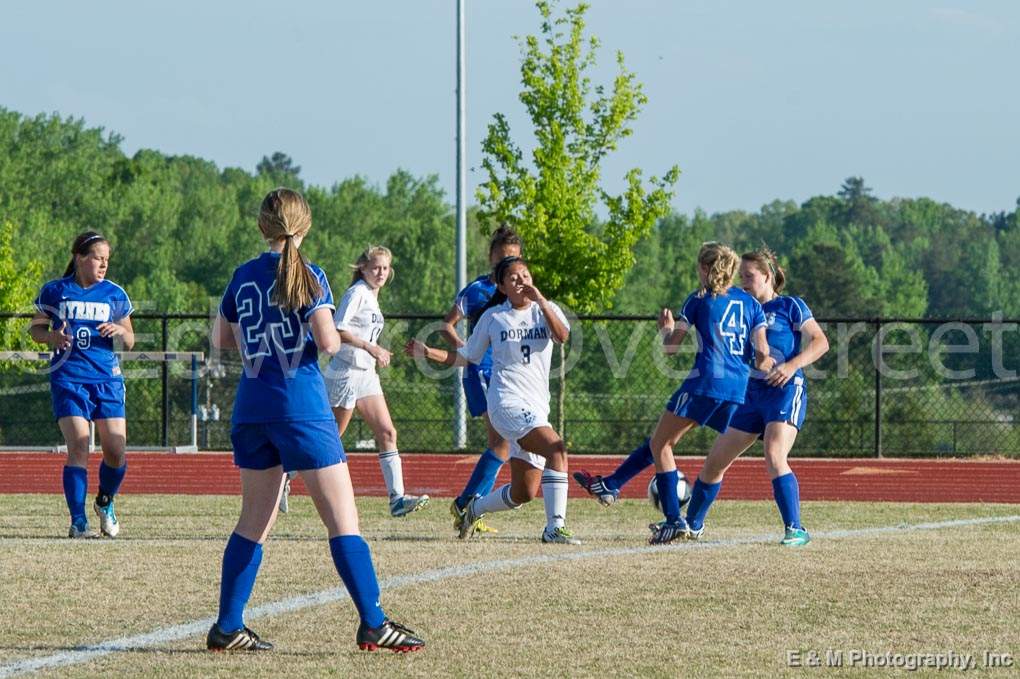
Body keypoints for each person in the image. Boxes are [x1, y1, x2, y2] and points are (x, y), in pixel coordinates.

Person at [208, 188, 423, 653]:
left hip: (251, 407)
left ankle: (227, 625)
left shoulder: (242, 275)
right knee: (344, 522)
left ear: (262, 226)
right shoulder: (311, 274)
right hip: (300, 407)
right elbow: (328, 342)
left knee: (253, 522)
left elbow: (221, 339)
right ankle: (373, 622)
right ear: (303, 226)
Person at [574, 248, 827, 546]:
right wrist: (763, 362)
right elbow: (759, 356)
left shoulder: (789, 305)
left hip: (782, 391)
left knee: (772, 454)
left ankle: (794, 528)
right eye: (740, 274)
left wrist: (790, 366)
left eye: (750, 275)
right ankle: (691, 524)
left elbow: (821, 341)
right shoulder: (747, 306)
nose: (744, 280)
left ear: (768, 276)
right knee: (713, 461)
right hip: (746, 392)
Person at [406, 256, 580, 544]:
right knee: (557, 449)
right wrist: (429, 352)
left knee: (523, 493)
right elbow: (467, 357)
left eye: (525, 275)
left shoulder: (545, 310)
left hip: (536, 407)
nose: (521, 281)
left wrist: (542, 301)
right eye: (513, 278)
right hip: (505, 403)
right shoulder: (494, 317)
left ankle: (473, 508)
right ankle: (555, 527)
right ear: (501, 286)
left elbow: (561, 335)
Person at [280, 246, 429, 518]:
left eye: (385, 268)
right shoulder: (358, 293)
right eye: (375, 268)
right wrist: (370, 347)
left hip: (366, 375)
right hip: (346, 373)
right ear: (363, 268)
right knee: (328, 439)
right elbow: (336, 328)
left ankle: (397, 499)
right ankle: (284, 476)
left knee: (388, 433)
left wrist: (371, 353)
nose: (381, 273)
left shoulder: (372, 296)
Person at [29, 231, 134, 539]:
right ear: (79, 257)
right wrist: (52, 337)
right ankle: (78, 522)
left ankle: (104, 501)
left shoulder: (114, 293)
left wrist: (119, 329)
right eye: (98, 258)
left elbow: (129, 340)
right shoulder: (55, 290)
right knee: (78, 443)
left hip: (107, 380)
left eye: (107, 260)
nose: (103, 265)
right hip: (69, 379)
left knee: (115, 450)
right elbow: (36, 329)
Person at [439, 225, 522, 534]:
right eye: (501, 258)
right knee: (502, 445)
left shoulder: (519, 294)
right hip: (483, 373)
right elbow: (448, 325)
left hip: (508, 374)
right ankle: (466, 504)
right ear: (491, 258)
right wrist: (468, 351)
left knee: (500, 445)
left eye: (512, 258)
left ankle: (470, 507)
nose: (506, 264)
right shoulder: (477, 290)